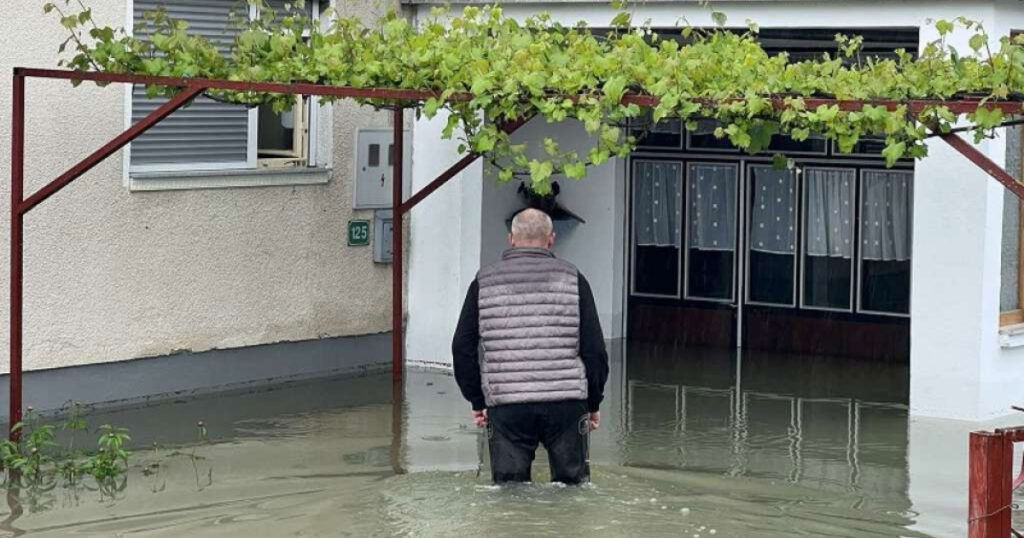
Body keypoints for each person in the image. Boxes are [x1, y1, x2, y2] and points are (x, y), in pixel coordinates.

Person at [452, 208, 609, 485]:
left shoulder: (484, 281)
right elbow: (594, 349)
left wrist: (478, 399)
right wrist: (593, 401)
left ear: (510, 238)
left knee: (509, 492)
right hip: (566, 403)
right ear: (551, 239)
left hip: (507, 404)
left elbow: (462, 348)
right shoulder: (573, 278)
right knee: (571, 490)